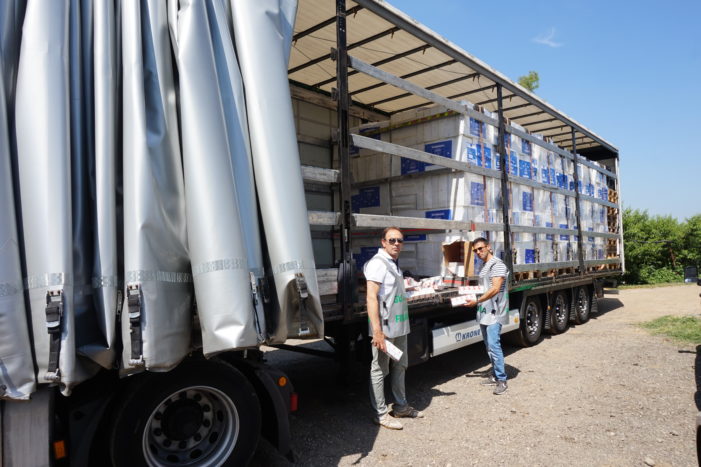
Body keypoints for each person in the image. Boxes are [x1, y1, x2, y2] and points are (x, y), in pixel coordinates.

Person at [364, 227, 424, 429]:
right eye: (392, 240)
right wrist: (377, 331)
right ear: (383, 242)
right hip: (385, 330)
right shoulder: (377, 264)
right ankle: (380, 413)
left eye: (400, 240)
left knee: (400, 366)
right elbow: (371, 297)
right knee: (379, 369)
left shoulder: (393, 264)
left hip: (399, 327)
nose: (397, 243)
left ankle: (401, 407)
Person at [465, 237, 510, 395]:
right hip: (485, 311)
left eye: (480, 248)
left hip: (495, 312)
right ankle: (494, 375)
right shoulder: (484, 266)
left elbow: (495, 289)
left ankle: (502, 380)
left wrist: (476, 300)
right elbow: (484, 287)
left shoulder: (497, 264)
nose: (478, 252)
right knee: (488, 346)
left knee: (494, 345)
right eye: (475, 250)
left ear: (488, 247)